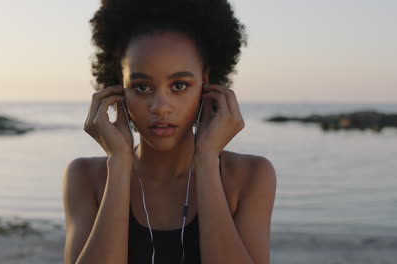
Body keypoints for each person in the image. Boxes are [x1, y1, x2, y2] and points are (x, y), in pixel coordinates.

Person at [62, 0, 277, 263]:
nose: (160, 107)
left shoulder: (250, 177)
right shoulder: (86, 178)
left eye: (179, 86)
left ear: (206, 84)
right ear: (119, 89)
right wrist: (118, 163)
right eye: (142, 87)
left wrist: (208, 160)